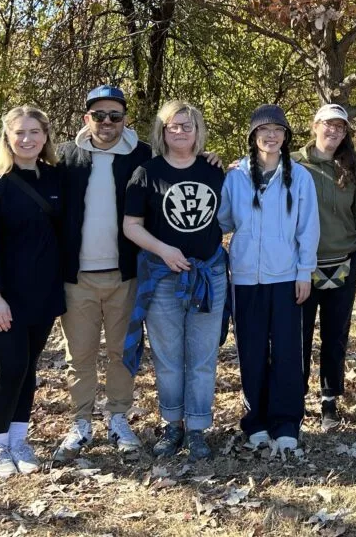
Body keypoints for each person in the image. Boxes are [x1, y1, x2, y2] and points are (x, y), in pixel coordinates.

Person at [122, 100, 228, 461]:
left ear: (198, 131)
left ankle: (197, 428)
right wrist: (164, 250)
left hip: (208, 275)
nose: (180, 132)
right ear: (161, 132)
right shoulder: (146, 173)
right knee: (168, 358)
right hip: (162, 276)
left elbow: (229, 218)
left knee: (202, 357)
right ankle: (172, 426)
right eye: (172, 126)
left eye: (187, 125)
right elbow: (131, 226)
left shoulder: (215, 171)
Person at [0, 105, 65, 478]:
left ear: (45, 137)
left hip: (41, 295)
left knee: (29, 371)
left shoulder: (55, 179)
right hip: (2, 299)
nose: (28, 139)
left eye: (35, 132)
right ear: (7, 137)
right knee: (11, 371)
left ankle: (19, 442)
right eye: (20, 133)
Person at [53, 85, 152, 461]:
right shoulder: (65, 156)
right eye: (99, 115)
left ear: (125, 119)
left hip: (124, 276)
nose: (107, 122)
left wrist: (208, 158)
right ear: (86, 118)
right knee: (79, 355)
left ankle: (118, 418)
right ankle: (80, 423)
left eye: (114, 115)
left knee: (120, 353)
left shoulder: (143, 156)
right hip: (77, 277)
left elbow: (180, 166)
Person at [218, 105, 319, 452]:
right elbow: (224, 221)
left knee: (289, 352)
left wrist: (304, 271)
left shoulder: (301, 177)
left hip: (287, 276)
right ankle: (256, 422)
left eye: (278, 130)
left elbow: (308, 228)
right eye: (264, 130)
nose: (271, 136)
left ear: (286, 136)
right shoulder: (236, 176)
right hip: (245, 278)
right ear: (253, 136)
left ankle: (287, 422)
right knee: (252, 350)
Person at [293, 104, 356, 430]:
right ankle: (294, 397)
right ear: (315, 126)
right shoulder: (295, 164)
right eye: (329, 125)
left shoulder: (350, 167)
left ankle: (329, 401)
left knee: (334, 335)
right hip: (302, 266)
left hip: (342, 262)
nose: (334, 131)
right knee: (299, 334)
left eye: (341, 127)